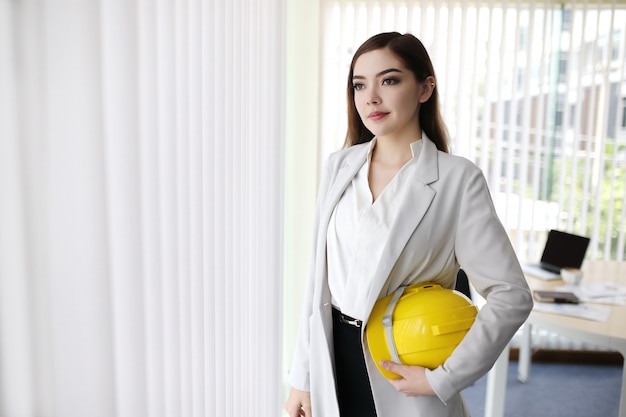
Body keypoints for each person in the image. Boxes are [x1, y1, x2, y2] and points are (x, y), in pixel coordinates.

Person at [284, 32, 533, 417]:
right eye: (359, 85)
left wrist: (445, 378)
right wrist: (302, 375)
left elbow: (511, 294)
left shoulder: (457, 180)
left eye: (389, 80)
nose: (371, 98)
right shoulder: (339, 166)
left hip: (402, 368)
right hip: (331, 363)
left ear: (424, 88)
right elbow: (318, 283)